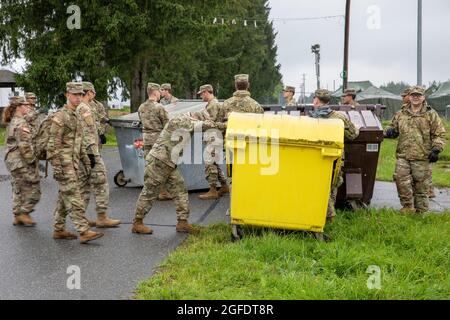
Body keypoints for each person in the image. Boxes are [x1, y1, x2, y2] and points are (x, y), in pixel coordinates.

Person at [132, 111, 226, 235]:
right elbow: (206, 125)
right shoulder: (183, 120)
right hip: (159, 162)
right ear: (196, 117)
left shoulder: (184, 121)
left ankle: (182, 223)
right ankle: (137, 223)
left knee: (180, 190)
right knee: (149, 192)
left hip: (169, 163)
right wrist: (227, 124)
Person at [47, 82, 104, 244]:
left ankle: (58, 229)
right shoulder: (61, 116)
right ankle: (84, 231)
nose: (78, 98)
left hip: (74, 162)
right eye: (75, 95)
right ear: (67, 95)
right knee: (74, 196)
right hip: (63, 163)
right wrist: (57, 166)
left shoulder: (77, 115)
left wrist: (86, 160)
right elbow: (53, 144)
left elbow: (78, 141)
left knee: (64, 196)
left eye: (80, 95)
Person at [384, 86, 446, 214]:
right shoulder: (401, 113)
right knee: (401, 181)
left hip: (422, 156)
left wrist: (436, 149)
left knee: (421, 186)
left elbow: (439, 134)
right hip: (403, 156)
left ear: (423, 97)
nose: (416, 97)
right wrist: (389, 131)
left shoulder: (431, 114)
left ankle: (421, 212)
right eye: (413, 95)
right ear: (410, 97)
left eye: (418, 95)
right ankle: (407, 207)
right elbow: (393, 128)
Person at [309, 89, 359, 221]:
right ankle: (329, 217)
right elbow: (352, 135)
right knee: (332, 186)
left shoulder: (310, 117)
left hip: (315, 156)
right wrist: (357, 128)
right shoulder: (339, 117)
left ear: (316, 100)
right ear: (328, 100)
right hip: (335, 157)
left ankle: (318, 214)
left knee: (316, 185)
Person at [77, 82, 121, 228]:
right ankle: (102, 217)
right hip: (89, 152)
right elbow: (87, 131)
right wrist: (91, 153)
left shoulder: (83, 107)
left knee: (84, 185)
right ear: (89, 92)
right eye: (92, 92)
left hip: (83, 151)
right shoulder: (84, 108)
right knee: (101, 182)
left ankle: (81, 218)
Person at [3, 96, 40, 227]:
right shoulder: (21, 123)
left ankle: (17, 215)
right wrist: (33, 161)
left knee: (18, 188)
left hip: (12, 162)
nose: (28, 107)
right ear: (19, 107)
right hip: (20, 161)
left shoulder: (13, 121)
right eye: (25, 105)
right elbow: (24, 146)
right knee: (34, 188)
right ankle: (24, 213)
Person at [138, 82, 173, 201]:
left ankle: (149, 192)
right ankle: (162, 192)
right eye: (159, 92)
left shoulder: (141, 107)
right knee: (161, 166)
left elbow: (141, 122)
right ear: (155, 92)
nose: (160, 94)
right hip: (158, 140)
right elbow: (167, 125)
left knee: (149, 166)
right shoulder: (159, 107)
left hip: (146, 139)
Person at [197, 84, 229, 200]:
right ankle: (224, 185)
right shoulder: (211, 104)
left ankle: (213, 190)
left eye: (201, 94)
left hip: (214, 137)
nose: (201, 96)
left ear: (206, 92)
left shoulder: (213, 105)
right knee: (214, 163)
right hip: (214, 137)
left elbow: (212, 122)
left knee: (209, 163)